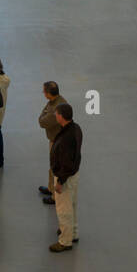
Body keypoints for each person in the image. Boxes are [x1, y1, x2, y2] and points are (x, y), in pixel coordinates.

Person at [49, 103, 82, 253]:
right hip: (73, 174)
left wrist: (60, 181)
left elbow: (66, 163)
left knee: (64, 209)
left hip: (65, 177)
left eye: (56, 114)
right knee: (72, 205)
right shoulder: (76, 128)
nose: (55, 116)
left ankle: (65, 241)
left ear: (61, 116)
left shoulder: (66, 139)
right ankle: (72, 233)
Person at [38, 80, 66, 204]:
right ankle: (51, 188)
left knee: (55, 167)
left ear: (49, 93)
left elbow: (42, 122)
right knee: (52, 166)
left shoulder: (56, 108)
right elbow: (44, 113)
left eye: (44, 91)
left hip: (57, 141)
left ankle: (55, 197)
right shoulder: (56, 101)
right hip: (54, 138)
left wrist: (42, 116)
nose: (43, 93)